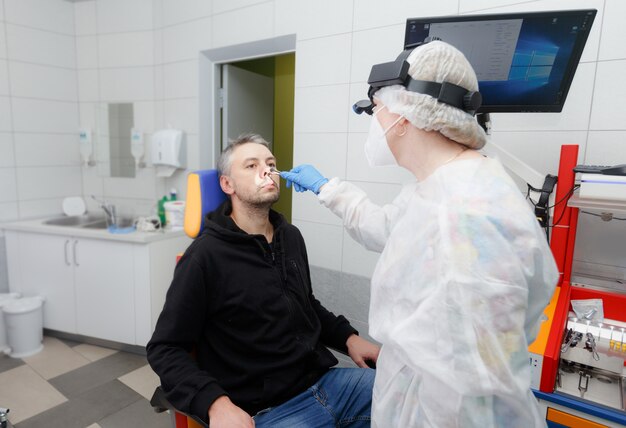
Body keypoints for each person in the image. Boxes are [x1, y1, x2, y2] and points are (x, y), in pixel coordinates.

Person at [280, 41, 559, 427]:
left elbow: (464, 388)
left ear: (405, 118)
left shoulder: (467, 214)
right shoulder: (438, 188)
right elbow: (387, 230)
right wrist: (328, 188)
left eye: (376, 110)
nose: (375, 123)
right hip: (412, 398)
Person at [147, 133, 379, 428]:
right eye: (251, 165)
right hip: (269, 409)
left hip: (327, 383)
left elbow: (305, 305)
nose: (267, 170)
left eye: (270, 163)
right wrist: (215, 404)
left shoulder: (290, 236)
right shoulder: (204, 257)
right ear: (227, 184)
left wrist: (349, 338)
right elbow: (165, 348)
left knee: (407, 396)